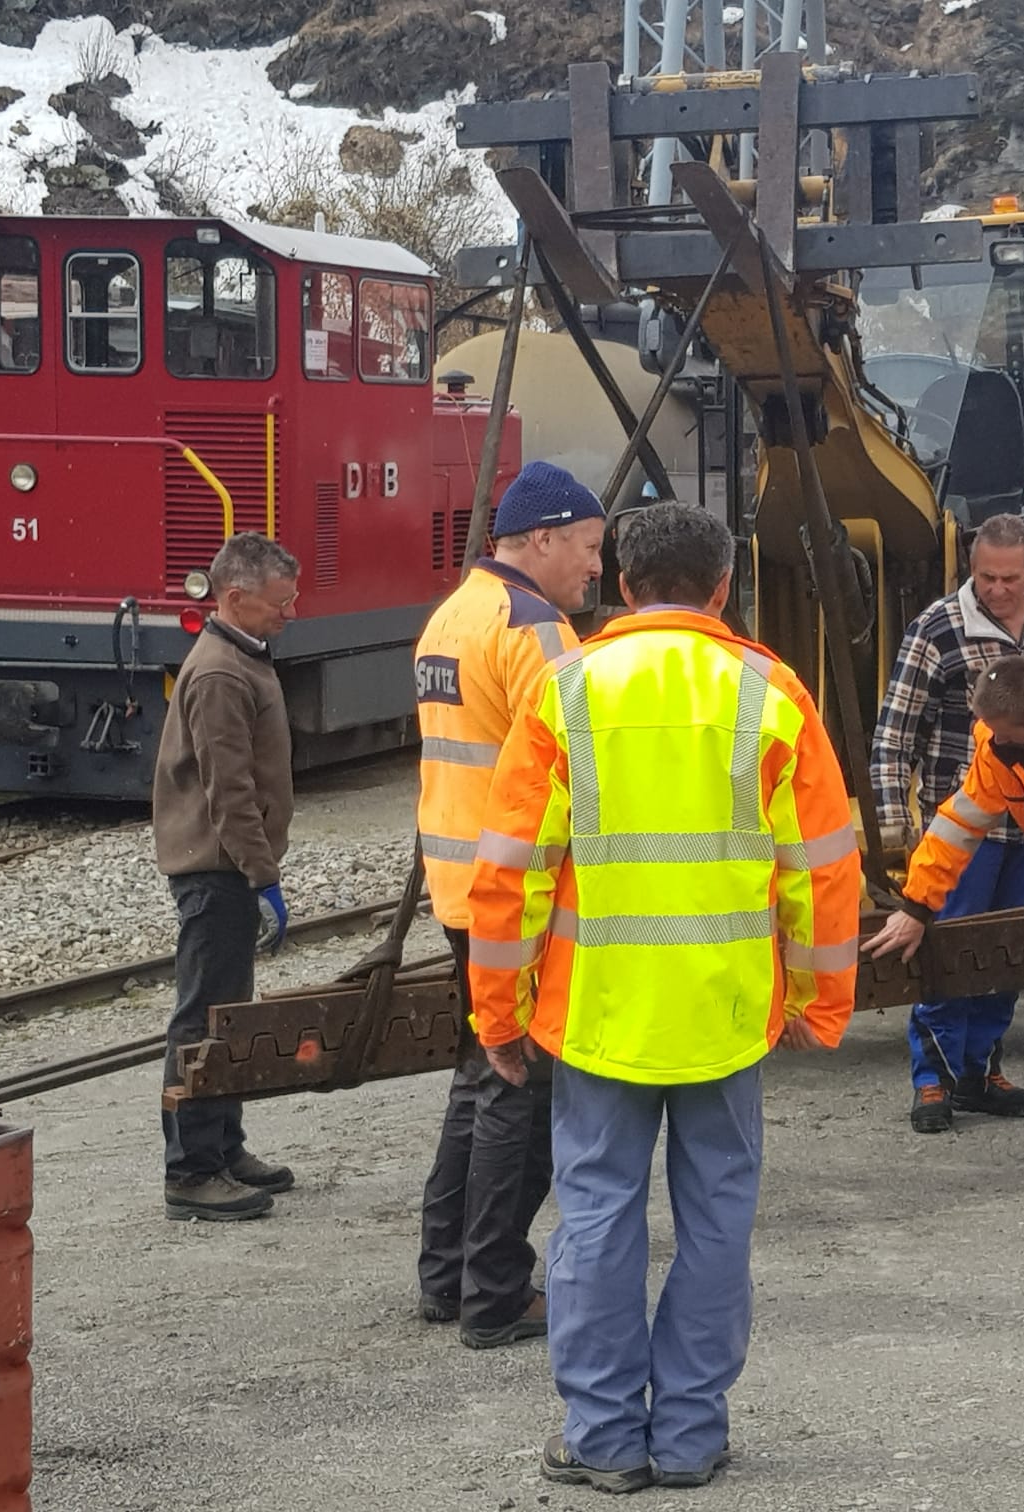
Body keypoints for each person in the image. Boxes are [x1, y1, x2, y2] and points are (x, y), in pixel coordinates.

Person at [465, 503, 861, 1493]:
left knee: (596, 1217)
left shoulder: (566, 693)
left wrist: (498, 1015)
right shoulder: (770, 694)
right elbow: (822, 867)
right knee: (718, 1218)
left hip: (598, 1017)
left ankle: (602, 1440)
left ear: (624, 587)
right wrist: (821, 1001)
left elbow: (511, 873)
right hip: (724, 1018)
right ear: (723, 587)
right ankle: (689, 1438)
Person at [412, 462, 604, 1348]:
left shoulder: (452, 613)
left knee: (479, 1077)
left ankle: (446, 1274)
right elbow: (582, 776)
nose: (596, 567)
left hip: (462, 883)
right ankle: (494, 1291)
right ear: (542, 539)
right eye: (590, 547)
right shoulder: (536, 630)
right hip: (519, 892)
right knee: (518, 1090)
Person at [867, 655, 1024, 1176]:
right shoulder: (1000, 745)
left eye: (1003, 731)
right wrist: (917, 905)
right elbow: (959, 824)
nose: (991, 738)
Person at [869, 513, 1024, 1133]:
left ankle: (980, 1072)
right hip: (963, 826)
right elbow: (895, 733)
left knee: (1009, 954)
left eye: (1009, 578)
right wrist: (893, 829)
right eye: (985, 577)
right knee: (944, 948)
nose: (996, 590)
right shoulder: (938, 629)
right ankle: (932, 1078)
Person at [151, 532, 302, 1222]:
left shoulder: (239, 658)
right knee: (202, 1020)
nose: (289, 612)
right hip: (217, 871)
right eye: (279, 602)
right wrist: (261, 874)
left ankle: (224, 1147)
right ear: (235, 598)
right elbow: (228, 790)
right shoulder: (219, 675)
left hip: (227, 868)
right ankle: (191, 1170)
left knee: (226, 1014)